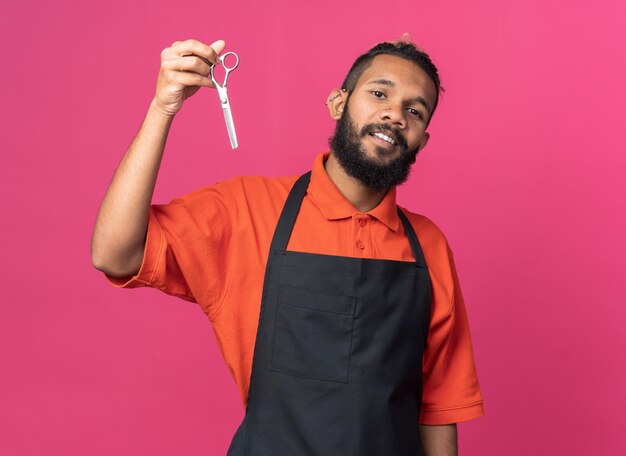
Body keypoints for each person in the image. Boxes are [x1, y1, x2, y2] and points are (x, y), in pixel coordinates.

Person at [91, 37, 484, 456]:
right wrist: (162, 109)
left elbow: (440, 406)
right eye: (379, 93)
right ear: (338, 103)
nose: (394, 114)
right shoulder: (245, 211)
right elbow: (114, 254)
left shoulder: (429, 248)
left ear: (421, 141)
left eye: (414, 110)